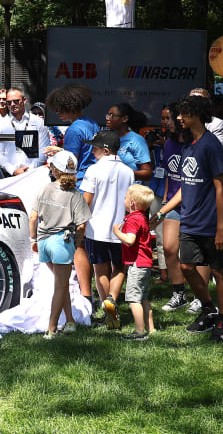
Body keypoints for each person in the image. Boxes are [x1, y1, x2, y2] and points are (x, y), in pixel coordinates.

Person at [151, 95, 223, 342]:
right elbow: (185, 186)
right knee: (186, 267)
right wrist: (162, 212)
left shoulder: (211, 145)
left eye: (184, 113)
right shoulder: (188, 145)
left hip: (211, 223)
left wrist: (221, 228)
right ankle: (208, 309)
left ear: (196, 114)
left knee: (219, 273)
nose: (178, 118)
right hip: (189, 219)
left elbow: (221, 188)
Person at [44, 83, 98, 305]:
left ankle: (86, 295)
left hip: (81, 186)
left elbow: (70, 164)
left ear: (70, 106)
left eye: (60, 108)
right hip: (94, 184)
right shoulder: (91, 123)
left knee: (77, 243)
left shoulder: (75, 129)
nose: (57, 112)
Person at [30, 150, 91, 339]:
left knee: (62, 283)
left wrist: (33, 239)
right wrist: (77, 242)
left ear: (54, 170)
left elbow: (33, 217)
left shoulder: (44, 188)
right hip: (62, 242)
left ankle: (70, 320)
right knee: (60, 285)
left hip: (43, 241)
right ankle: (52, 329)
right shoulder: (75, 195)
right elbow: (81, 225)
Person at [81, 130, 134, 330]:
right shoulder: (128, 171)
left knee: (99, 269)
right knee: (119, 268)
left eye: (94, 147)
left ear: (105, 150)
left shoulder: (93, 170)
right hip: (121, 228)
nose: (92, 150)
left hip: (97, 228)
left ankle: (109, 309)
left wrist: (79, 223)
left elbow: (86, 200)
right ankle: (111, 301)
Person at [157, 102, 192, 313]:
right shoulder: (168, 143)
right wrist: (164, 202)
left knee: (192, 254)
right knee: (170, 249)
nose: (165, 122)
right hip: (171, 202)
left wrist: (163, 208)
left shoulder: (191, 144)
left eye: (167, 118)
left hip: (191, 204)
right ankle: (179, 293)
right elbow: (170, 175)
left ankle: (200, 295)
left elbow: (187, 184)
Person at [112, 184, 156, 341]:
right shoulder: (142, 217)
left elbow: (130, 240)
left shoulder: (133, 219)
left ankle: (139, 331)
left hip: (137, 264)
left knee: (133, 298)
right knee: (143, 298)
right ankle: (151, 329)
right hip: (145, 263)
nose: (123, 200)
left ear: (131, 203)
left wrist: (117, 232)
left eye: (125, 198)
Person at [0, 87, 50, 174]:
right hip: (9, 176)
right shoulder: (0, 125)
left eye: (16, 101)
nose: (12, 104)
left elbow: (43, 149)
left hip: (34, 173)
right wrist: (13, 170)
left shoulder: (39, 122)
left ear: (24, 100)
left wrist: (30, 170)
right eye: (9, 102)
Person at [105, 103, 152, 183]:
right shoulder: (107, 137)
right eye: (108, 115)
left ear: (125, 119)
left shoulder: (136, 140)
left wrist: (125, 173)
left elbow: (147, 173)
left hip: (130, 192)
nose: (108, 118)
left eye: (112, 115)